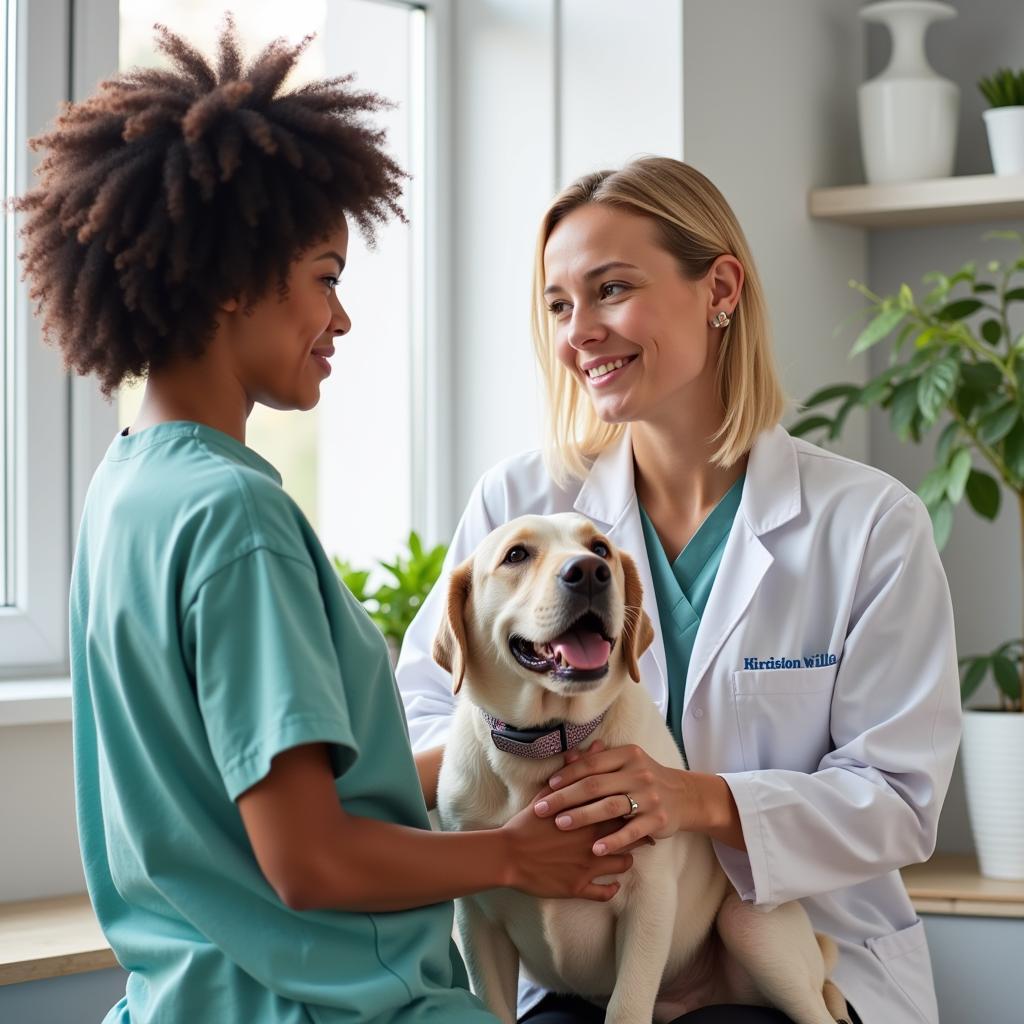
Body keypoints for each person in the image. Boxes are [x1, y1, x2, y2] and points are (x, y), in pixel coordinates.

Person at [15, 19, 634, 1024]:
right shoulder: (236, 517)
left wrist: (501, 749)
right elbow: (307, 861)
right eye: (325, 279)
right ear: (230, 280)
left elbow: (230, 806)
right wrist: (518, 852)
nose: (340, 318)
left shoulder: (124, 491)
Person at [396, 157, 962, 1024]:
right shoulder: (515, 506)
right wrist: (511, 758)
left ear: (720, 289)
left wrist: (699, 799)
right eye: (557, 304)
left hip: (779, 958)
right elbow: (428, 713)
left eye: (611, 289)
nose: (580, 330)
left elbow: (900, 799)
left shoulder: (870, 524)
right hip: (579, 963)